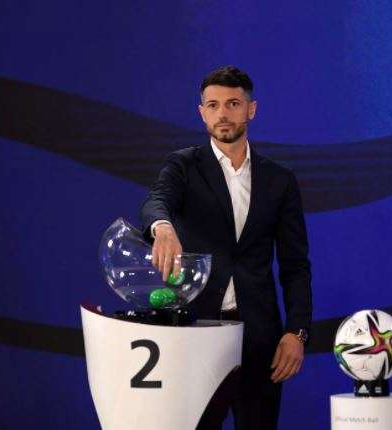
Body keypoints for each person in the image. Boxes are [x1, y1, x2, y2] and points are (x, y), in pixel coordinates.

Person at [139, 65, 312, 429]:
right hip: (196, 332)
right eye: (213, 105)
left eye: (233, 103)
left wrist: (296, 333)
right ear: (202, 112)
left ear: (251, 109)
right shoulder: (183, 166)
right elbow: (157, 200)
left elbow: (295, 266)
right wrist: (163, 227)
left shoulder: (280, 180)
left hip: (260, 338)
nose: (223, 114)